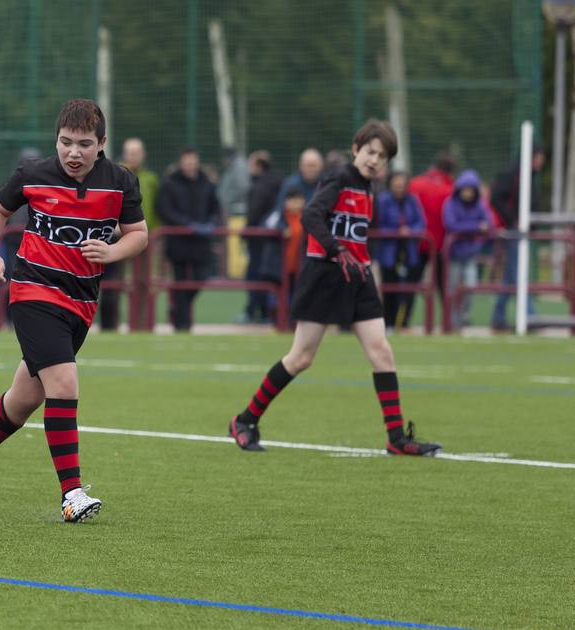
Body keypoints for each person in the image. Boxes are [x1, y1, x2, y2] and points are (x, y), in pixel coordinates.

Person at [0, 99, 147, 524]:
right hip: (33, 291)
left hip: (82, 302)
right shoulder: (33, 174)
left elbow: (139, 234)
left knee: (24, 399)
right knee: (64, 382)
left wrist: (111, 251)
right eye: (66, 143)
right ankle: (71, 494)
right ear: (56, 141)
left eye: (84, 144)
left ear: (102, 144)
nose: (73, 153)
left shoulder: (121, 181)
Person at [228, 120, 441, 458]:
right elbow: (312, 215)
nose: (374, 159)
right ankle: (244, 420)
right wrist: (336, 249)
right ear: (356, 149)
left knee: (381, 351)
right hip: (325, 275)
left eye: (382, 156)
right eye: (370, 151)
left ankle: (396, 437)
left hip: (358, 276)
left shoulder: (370, 188)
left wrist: (352, 256)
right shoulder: (339, 178)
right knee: (301, 358)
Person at [157, 147, 220, 333]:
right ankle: (182, 325)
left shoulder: (207, 182)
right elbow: (164, 209)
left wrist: (210, 223)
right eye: (187, 161)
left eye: (193, 161)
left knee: (201, 278)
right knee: (180, 281)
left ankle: (178, 309)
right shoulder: (170, 182)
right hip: (179, 243)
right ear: (181, 162)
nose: (190, 164)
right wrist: (187, 225)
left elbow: (215, 207)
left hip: (201, 243)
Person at [101, 137, 159, 332]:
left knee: (144, 283)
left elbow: (157, 208)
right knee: (114, 283)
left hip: (144, 238)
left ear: (143, 155)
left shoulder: (150, 179)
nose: (133, 156)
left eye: (137, 152)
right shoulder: (114, 176)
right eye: (130, 152)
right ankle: (111, 325)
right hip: (118, 237)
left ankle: (140, 325)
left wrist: (153, 231)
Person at [490, 148, 545, 330]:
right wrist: (512, 219)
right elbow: (496, 198)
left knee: (510, 276)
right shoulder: (512, 175)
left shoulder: (532, 177)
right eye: (537, 157)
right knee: (519, 273)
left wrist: (531, 224)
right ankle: (530, 316)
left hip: (523, 231)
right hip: (513, 231)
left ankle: (498, 317)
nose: (540, 162)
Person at [373, 170, 424, 328]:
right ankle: (388, 322)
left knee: (409, 289)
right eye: (396, 185)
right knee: (389, 287)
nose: (399, 188)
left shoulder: (413, 201)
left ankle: (404, 322)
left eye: (402, 185)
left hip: (409, 252)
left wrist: (410, 231)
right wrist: (395, 231)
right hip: (389, 252)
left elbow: (421, 222)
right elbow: (378, 224)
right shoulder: (382, 201)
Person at [442, 168, 493, 330]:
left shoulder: (480, 205)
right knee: (452, 289)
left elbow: (489, 224)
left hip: (471, 253)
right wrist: (476, 227)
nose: (468, 193)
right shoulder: (450, 203)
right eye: (465, 189)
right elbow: (451, 225)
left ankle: (463, 317)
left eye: (471, 190)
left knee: (471, 287)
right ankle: (451, 320)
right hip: (454, 254)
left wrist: (470, 229)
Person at [408, 152, 456, 313]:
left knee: (411, 284)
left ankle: (402, 322)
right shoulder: (451, 189)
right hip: (441, 245)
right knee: (444, 287)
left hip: (417, 242)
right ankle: (449, 322)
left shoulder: (415, 183)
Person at [243, 150, 282, 324]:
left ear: (258, 166)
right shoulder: (276, 181)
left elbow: (255, 209)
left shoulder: (260, 185)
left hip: (258, 238)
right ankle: (266, 312)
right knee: (266, 274)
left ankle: (254, 311)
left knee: (255, 274)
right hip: (270, 238)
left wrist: (247, 230)